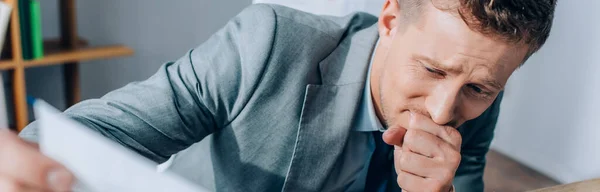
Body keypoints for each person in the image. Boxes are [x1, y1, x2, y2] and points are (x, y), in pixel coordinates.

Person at [0, 0, 556, 191]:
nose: (443, 111)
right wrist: (28, 167)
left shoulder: (477, 94)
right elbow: (100, 133)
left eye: (479, 88)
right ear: (390, 19)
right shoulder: (270, 44)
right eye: (431, 68)